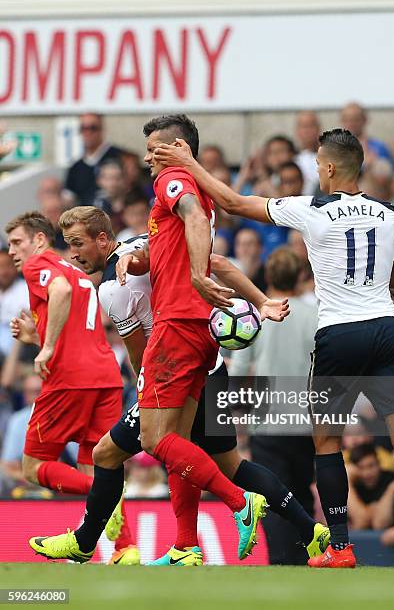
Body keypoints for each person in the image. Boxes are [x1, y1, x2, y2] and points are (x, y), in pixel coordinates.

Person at [154, 126, 394, 570]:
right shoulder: (388, 213)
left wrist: (189, 165)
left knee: (327, 442)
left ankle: (341, 548)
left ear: (326, 167)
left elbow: (232, 203)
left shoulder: (312, 210)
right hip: (386, 327)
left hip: (339, 334)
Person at [29, 200, 327, 565]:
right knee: (223, 461)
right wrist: (260, 300)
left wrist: (145, 395)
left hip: (172, 367)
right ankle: (306, 531)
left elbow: (139, 353)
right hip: (211, 362)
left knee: (109, 453)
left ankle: (89, 539)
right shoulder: (148, 245)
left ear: (103, 239)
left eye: (77, 243)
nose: (73, 254)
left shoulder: (112, 287)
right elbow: (214, 264)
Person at [5, 211, 134, 564]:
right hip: (106, 375)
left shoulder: (39, 266)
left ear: (40, 240)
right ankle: (126, 549)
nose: (13, 251)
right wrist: (37, 336)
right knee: (99, 463)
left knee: (33, 466)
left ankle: (103, 496)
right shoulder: (76, 270)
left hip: (70, 379)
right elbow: (75, 322)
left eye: (18, 242)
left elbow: (58, 292)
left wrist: (45, 348)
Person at [230, 246, 318, 564]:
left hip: (267, 421)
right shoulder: (314, 314)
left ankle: (282, 560)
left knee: (275, 494)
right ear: (300, 277)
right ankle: (311, 555)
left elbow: (239, 370)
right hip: (305, 420)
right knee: (303, 491)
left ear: (268, 276)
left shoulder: (257, 315)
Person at [64, 113, 123, 205]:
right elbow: (68, 200)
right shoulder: (75, 167)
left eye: (93, 128)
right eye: (83, 128)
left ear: (102, 130)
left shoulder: (121, 157)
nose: (87, 133)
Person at [0, 249, 29, 358]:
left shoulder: (25, 289)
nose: (4, 272)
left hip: (21, 348)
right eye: (0, 267)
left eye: (8, 266)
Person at [294, 110, 321, 195]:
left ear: (319, 129)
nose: (307, 131)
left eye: (311, 126)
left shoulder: (329, 158)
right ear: (297, 131)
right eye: (304, 127)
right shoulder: (291, 159)